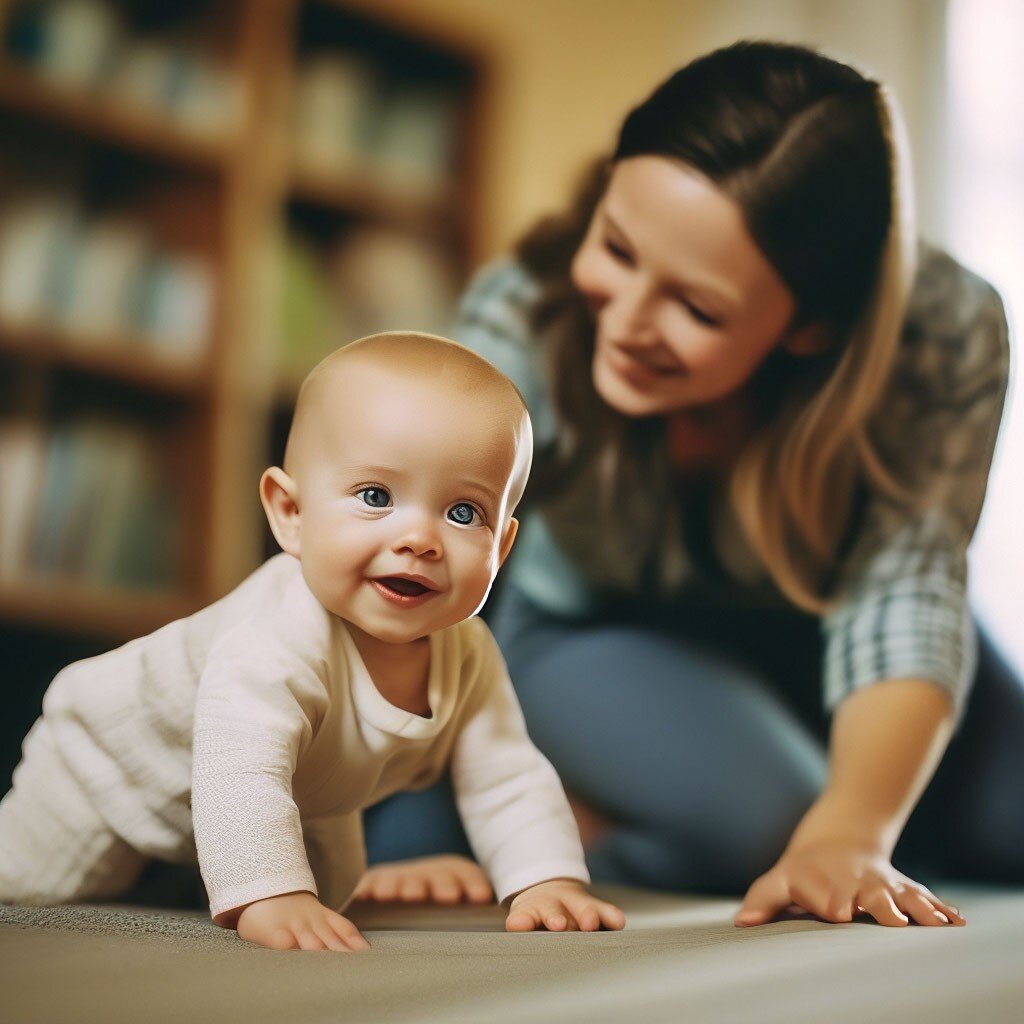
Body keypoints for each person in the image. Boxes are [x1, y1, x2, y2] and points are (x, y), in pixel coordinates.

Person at [358, 41, 1021, 927]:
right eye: (617, 248)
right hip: (595, 621)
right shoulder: (524, 310)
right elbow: (404, 543)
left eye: (698, 309)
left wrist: (857, 831)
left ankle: (593, 812)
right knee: (777, 827)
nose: (626, 324)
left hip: (822, 618)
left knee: (993, 825)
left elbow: (905, 589)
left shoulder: (946, 333)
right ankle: (519, 817)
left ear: (810, 328)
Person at [0, 331, 625, 950]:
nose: (420, 539)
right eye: (376, 497)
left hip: (304, 798)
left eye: (464, 512)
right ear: (290, 514)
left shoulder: (469, 655)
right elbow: (240, 765)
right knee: (31, 888)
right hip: (107, 769)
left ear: (502, 546)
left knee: (326, 903)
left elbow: (507, 776)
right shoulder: (278, 635)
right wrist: (269, 893)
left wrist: (547, 880)